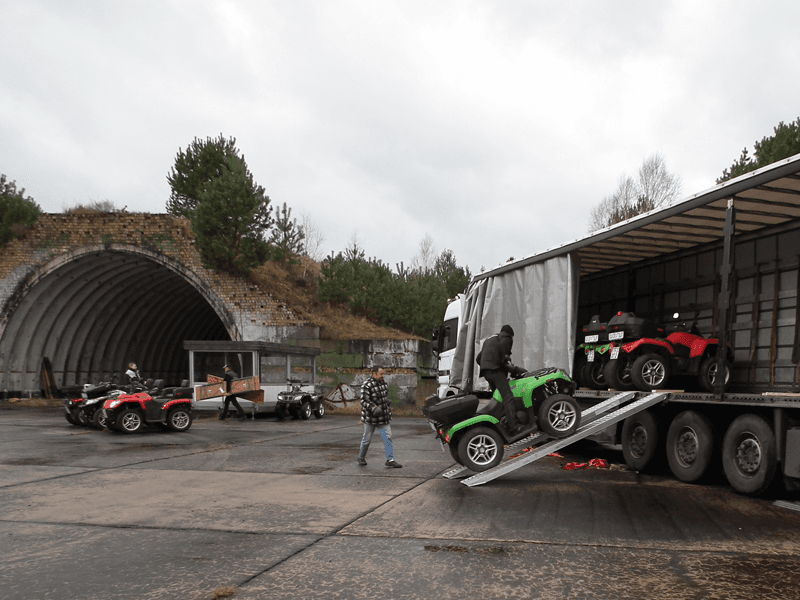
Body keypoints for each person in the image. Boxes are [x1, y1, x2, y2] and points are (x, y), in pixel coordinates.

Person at [477, 324, 521, 434]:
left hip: (487, 372)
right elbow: (504, 355)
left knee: (498, 398)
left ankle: (500, 423)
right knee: (508, 397)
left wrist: (486, 365)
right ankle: (513, 427)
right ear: (510, 334)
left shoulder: (490, 339)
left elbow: (479, 358)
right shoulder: (506, 338)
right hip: (495, 371)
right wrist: (507, 363)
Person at [357, 366, 402, 468]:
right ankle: (361, 457)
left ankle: (390, 459)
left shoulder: (383, 383)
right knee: (367, 439)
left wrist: (386, 401)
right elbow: (364, 401)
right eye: (381, 374)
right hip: (371, 418)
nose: (383, 376)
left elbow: (385, 396)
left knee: (388, 437)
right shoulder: (367, 385)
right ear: (374, 373)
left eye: (383, 374)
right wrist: (373, 408)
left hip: (383, 417)